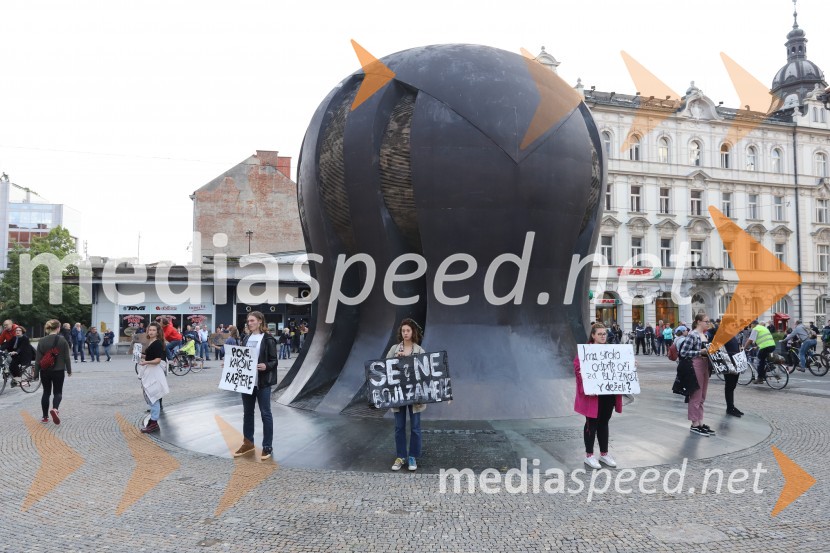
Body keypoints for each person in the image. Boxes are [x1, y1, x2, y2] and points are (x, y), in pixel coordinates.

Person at [574, 323, 622, 469]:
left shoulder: (611, 350)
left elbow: (619, 367)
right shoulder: (585, 351)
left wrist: (631, 365)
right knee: (592, 423)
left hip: (608, 393)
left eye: (604, 334)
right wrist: (588, 384)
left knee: (604, 422)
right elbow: (577, 369)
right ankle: (589, 455)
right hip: (593, 395)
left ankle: (604, 453)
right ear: (593, 335)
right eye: (600, 334)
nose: (603, 336)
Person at [233, 311, 279, 460]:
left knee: (266, 414)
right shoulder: (246, 338)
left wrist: (266, 365)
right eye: (248, 321)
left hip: (263, 382)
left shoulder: (268, 339)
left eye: (252, 320)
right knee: (247, 413)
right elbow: (241, 357)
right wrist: (230, 363)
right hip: (247, 383)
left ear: (260, 321)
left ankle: (267, 446)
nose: (249, 323)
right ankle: (248, 443)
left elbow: (274, 361)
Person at [387, 318, 427, 472]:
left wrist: (409, 360)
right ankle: (401, 456)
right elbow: (385, 368)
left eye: (408, 330)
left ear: (413, 332)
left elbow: (424, 371)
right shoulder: (394, 349)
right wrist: (396, 360)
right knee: (399, 427)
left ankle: (412, 456)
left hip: (415, 396)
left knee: (415, 428)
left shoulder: (419, 350)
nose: (405, 333)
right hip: (398, 395)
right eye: (403, 331)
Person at [678, 314, 715, 436]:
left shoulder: (705, 335)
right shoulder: (692, 335)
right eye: (706, 321)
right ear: (699, 322)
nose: (708, 323)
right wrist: (700, 351)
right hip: (695, 365)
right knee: (696, 395)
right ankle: (694, 423)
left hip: (705, 365)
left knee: (702, 395)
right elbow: (683, 352)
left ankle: (700, 422)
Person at [36, 319, 72, 424]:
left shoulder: (42, 340)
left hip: (45, 371)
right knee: (58, 392)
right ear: (58, 328)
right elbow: (67, 357)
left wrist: (35, 373)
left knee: (46, 393)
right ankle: (55, 409)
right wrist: (69, 370)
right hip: (59, 370)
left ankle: (45, 417)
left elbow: (38, 359)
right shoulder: (62, 340)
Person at [137, 322, 168, 433]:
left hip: (154, 372)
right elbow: (151, 356)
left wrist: (146, 362)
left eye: (154, 330)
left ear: (158, 332)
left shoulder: (158, 343)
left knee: (153, 397)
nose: (151, 332)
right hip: (151, 371)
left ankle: (154, 423)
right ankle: (153, 421)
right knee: (151, 396)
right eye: (150, 330)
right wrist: (140, 355)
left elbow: (157, 360)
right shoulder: (152, 342)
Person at [719, 317, 744, 417]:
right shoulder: (723, 335)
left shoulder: (732, 335)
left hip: (736, 362)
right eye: (732, 324)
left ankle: (731, 406)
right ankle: (730, 408)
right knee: (729, 386)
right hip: (729, 363)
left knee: (732, 386)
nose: (734, 326)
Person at [743, 319, 776, 384]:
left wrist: (744, 348)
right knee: (763, 360)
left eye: (751, 325)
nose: (750, 326)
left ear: (753, 324)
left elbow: (750, 340)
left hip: (765, 347)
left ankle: (760, 378)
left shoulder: (755, 329)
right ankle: (769, 368)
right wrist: (757, 347)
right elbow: (764, 339)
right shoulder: (764, 328)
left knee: (759, 361)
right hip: (772, 345)